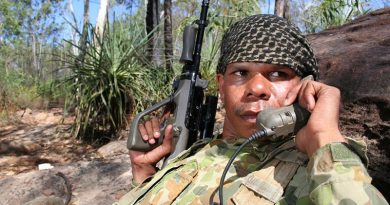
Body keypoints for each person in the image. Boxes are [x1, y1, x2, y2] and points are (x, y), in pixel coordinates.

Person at [114, 15, 388, 205]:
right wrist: (145, 176)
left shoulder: (321, 168)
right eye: (241, 72)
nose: (257, 87)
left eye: (278, 73)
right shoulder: (197, 151)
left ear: (307, 87)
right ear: (221, 84)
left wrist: (324, 138)